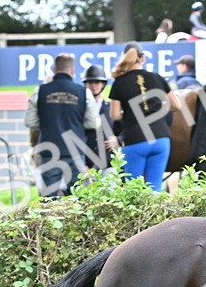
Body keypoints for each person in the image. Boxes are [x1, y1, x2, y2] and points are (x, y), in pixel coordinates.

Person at [25, 53, 101, 196]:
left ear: (54, 69)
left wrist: (47, 121)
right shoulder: (84, 92)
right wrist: (76, 123)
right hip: (75, 151)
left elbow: (29, 122)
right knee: (77, 197)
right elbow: (93, 123)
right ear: (72, 71)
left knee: (49, 198)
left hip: (49, 150)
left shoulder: (40, 91)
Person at [109, 43, 172, 190]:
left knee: (133, 190)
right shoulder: (157, 78)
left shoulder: (119, 83)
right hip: (161, 138)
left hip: (136, 139)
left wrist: (129, 113)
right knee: (155, 188)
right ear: (142, 58)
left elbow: (115, 115)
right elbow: (176, 105)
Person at [82, 64, 115, 171]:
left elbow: (123, 128)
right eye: (90, 82)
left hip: (108, 161)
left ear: (103, 84)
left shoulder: (111, 107)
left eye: (97, 82)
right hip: (86, 163)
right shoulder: (80, 108)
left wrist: (118, 139)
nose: (93, 86)